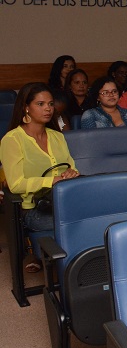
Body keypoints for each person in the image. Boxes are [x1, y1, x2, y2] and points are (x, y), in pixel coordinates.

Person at [0, 82, 79, 270]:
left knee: (92, 212)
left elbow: (72, 168)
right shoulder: (12, 140)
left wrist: (71, 173)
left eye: (50, 104)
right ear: (26, 107)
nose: (48, 109)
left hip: (62, 202)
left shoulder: (57, 136)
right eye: (40, 104)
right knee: (82, 218)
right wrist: (52, 180)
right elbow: (16, 184)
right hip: (33, 209)